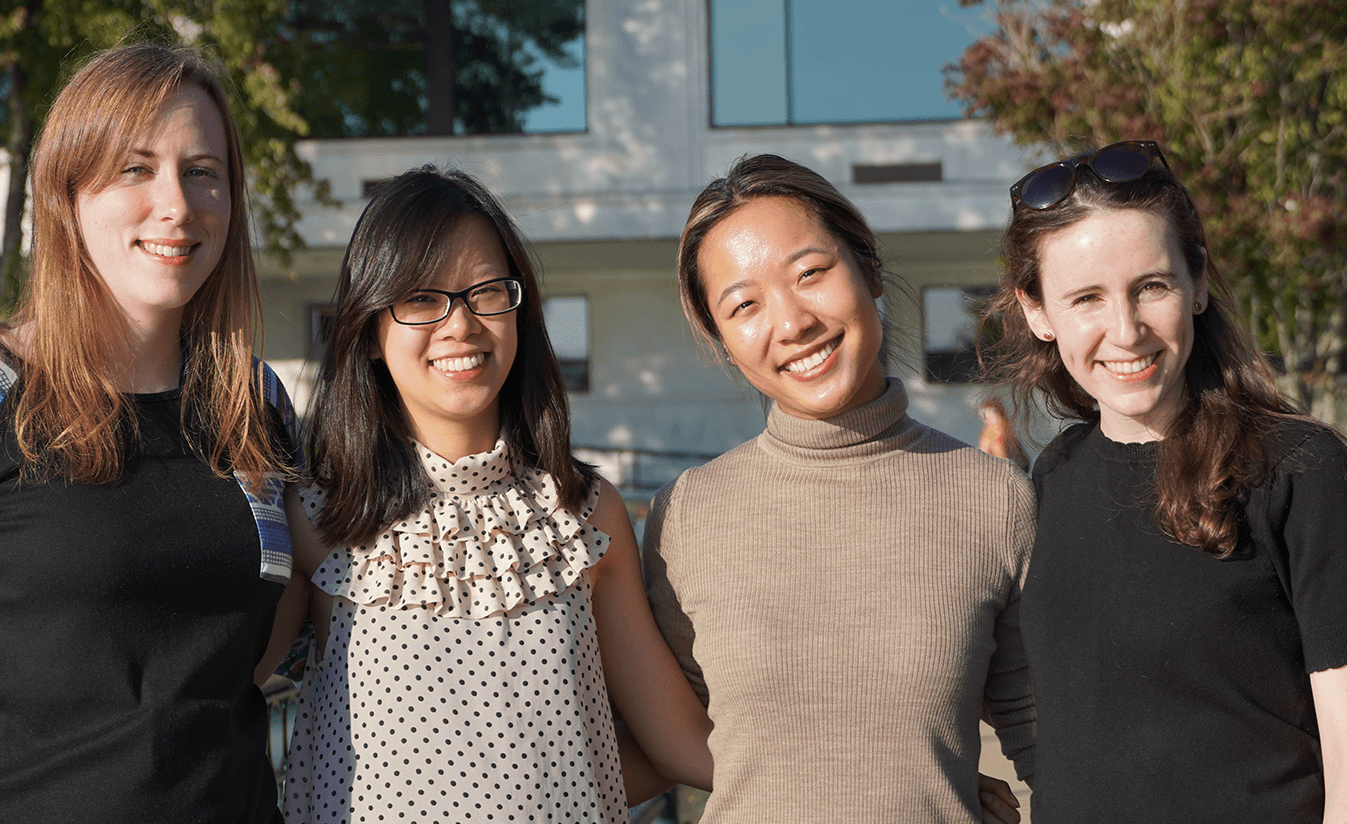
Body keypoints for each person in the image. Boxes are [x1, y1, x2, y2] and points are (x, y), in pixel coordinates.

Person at [0, 43, 303, 822]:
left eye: (203, 172)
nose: (178, 205)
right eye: (135, 168)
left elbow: (282, 650)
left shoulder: (253, 403)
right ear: (66, 194)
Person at [278, 167, 712, 823]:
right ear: (369, 329)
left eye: (486, 291)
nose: (461, 324)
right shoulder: (316, 518)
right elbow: (214, 697)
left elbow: (678, 745)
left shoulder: (587, 514)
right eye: (421, 297)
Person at [640, 153, 1034, 824]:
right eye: (744, 306)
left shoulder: (996, 498)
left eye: (811, 274)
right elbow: (672, 738)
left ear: (869, 270)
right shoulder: (687, 512)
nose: (791, 322)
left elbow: (1048, 738)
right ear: (722, 342)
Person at [987, 139, 1347, 821]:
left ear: (1199, 283)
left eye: (1151, 286)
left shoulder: (1300, 470)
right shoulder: (1052, 478)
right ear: (1037, 311)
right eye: (1086, 297)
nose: (1125, 331)